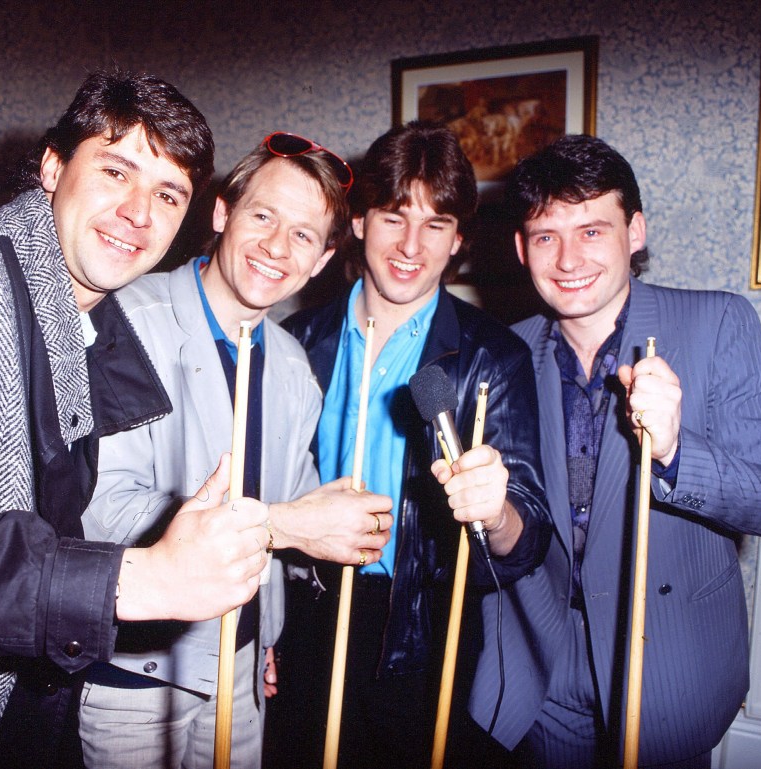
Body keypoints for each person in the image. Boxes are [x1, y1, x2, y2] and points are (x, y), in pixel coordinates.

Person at [0, 71, 274, 769]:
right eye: (117, 170)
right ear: (53, 166)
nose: (139, 212)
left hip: (16, 716)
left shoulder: (88, 327)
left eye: (168, 194)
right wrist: (140, 580)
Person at [468, 134, 761, 768]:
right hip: (544, 674)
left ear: (636, 231)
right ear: (521, 248)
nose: (568, 258)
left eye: (593, 230)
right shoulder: (503, 354)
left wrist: (678, 450)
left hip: (668, 665)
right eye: (546, 235)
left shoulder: (718, 326)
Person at [79, 133, 393, 769]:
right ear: (222, 213)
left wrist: (332, 534)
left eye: (304, 235)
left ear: (325, 258)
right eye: (262, 215)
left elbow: (299, 514)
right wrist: (286, 525)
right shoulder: (127, 321)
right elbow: (96, 509)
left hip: (243, 672)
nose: (277, 247)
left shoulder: (290, 362)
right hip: (138, 676)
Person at [274, 121, 551, 768]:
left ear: (458, 239)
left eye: (436, 224)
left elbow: (528, 538)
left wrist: (498, 512)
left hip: (422, 626)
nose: (411, 245)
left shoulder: (493, 357)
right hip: (307, 611)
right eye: (395, 216)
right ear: (361, 222)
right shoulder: (299, 341)